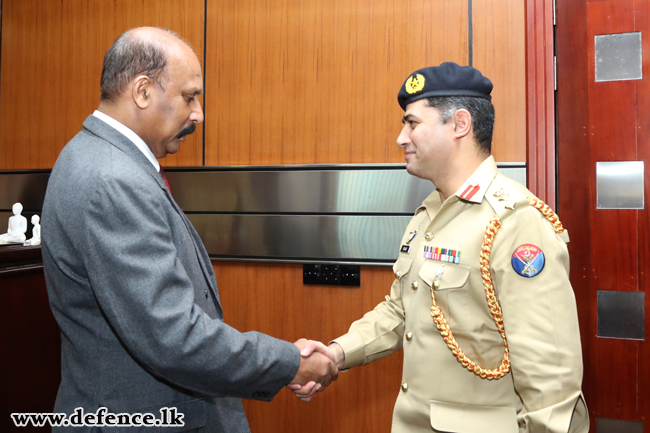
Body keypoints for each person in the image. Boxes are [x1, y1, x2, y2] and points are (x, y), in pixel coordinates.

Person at [42, 27, 336, 432]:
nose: (197, 113)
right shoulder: (113, 179)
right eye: (189, 96)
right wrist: (291, 363)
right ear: (143, 91)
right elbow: (173, 337)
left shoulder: (96, 156)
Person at [292, 63, 589, 432]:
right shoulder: (429, 214)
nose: (402, 137)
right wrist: (336, 353)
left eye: (412, 123)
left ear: (459, 124)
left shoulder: (515, 222)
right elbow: (400, 311)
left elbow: (552, 378)